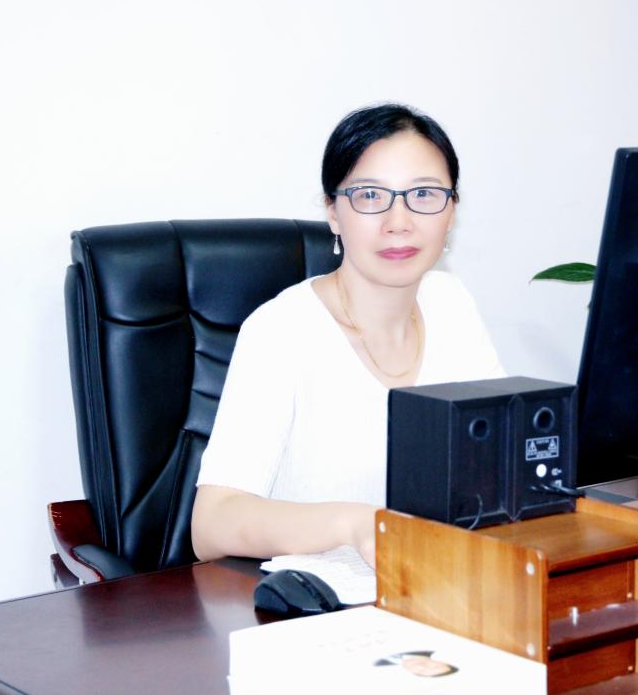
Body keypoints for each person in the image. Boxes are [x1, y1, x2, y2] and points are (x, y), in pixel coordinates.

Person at [191, 104, 504, 566]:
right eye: (370, 195)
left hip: (432, 584)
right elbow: (211, 524)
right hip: (309, 600)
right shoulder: (281, 331)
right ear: (333, 213)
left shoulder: (451, 304)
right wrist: (357, 524)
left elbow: (497, 465)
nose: (399, 221)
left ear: (452, 210)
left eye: (423, 193)